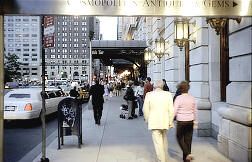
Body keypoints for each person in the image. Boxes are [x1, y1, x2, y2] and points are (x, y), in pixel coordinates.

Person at [143, 80, 174, 162]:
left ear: (154, 86)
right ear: (162, 86)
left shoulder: (149, 95)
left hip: (154, 122)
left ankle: (162, 160)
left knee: (158, 143)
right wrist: (170, 121)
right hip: (165, 121)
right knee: (164, 140)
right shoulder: (168, 94)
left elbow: (145, 109)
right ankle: (165, 157)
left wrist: (147, 120)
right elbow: (171, 110)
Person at [173, 81, 197, 162]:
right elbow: (195, 111)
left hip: (181, 121)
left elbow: (174, 111)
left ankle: (187, 154)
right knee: (188, 140)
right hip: (190, 121)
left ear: (180, 89)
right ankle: (186, 160)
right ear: (188, 89)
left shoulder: (178, 98)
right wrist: (196, 122)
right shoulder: (192, 98)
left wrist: (170, 120)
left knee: (179, 137)